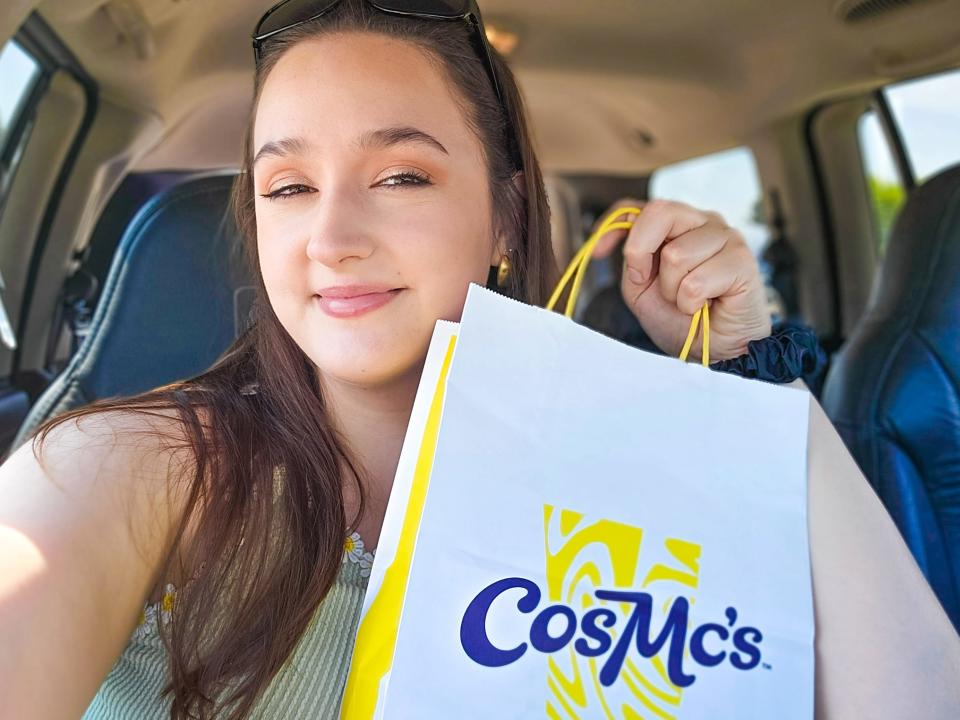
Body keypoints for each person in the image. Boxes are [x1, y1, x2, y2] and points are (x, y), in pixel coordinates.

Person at [0, 1, 957, 718]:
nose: (330, 236)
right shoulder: (145, 468)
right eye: (289, 185)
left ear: (504, 211)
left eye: (400, 175)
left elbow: (915, 698)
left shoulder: (637, 477)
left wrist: (755, 371)